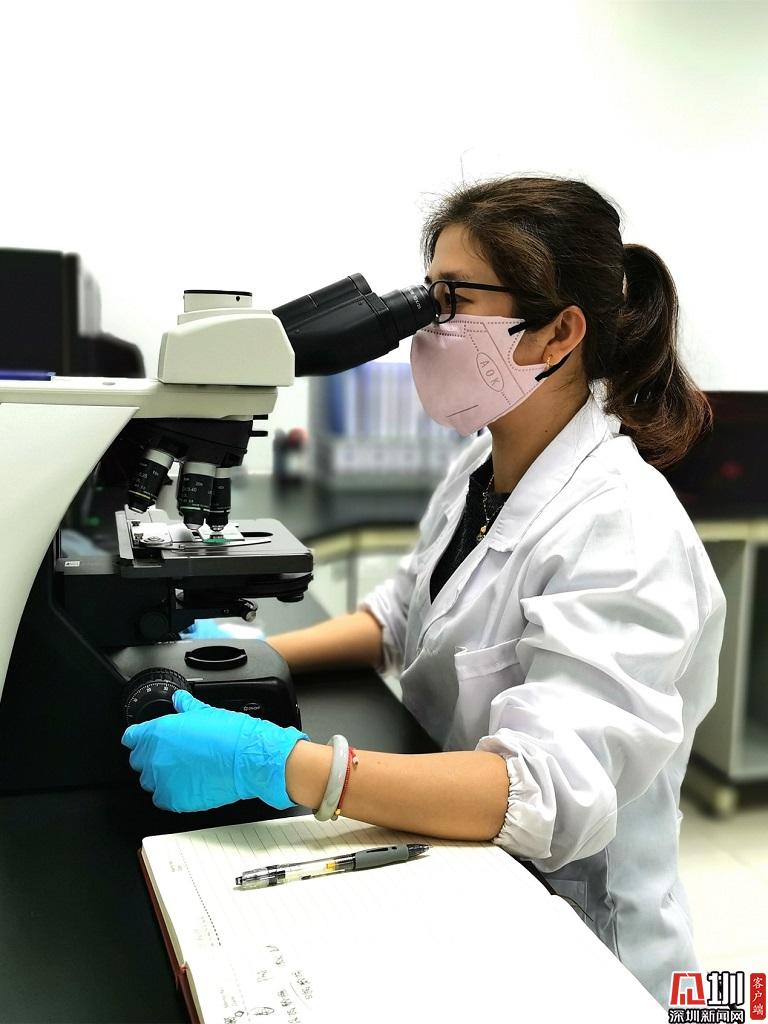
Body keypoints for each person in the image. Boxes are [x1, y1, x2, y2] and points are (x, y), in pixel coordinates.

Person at [122, 175, 726, 1007]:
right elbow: (399, 617)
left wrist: (281, 763)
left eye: (452, 301)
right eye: (427, 295)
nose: (426, 327)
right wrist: (236, 658)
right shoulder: (485, 465)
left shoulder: (622, 528)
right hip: (456, 863)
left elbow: (539, 794)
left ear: (558, 332)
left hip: (575, 934)